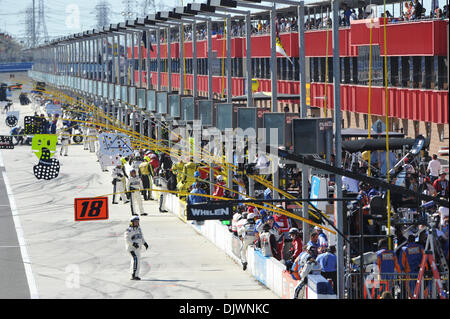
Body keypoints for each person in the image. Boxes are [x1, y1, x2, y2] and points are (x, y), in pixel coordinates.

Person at [124, 216, 149, 280]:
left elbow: (141, 237)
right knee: (135, 260)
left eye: (138, 222)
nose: (137, 223)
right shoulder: (128, 230)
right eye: (135, 222)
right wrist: (133, 244)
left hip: (138, 249)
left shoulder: (138, 229)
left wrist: (144, 243)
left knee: (137, 261)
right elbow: (127, 239)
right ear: (132, 222)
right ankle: (133, 275)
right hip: (131, 249)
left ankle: (135, 274)